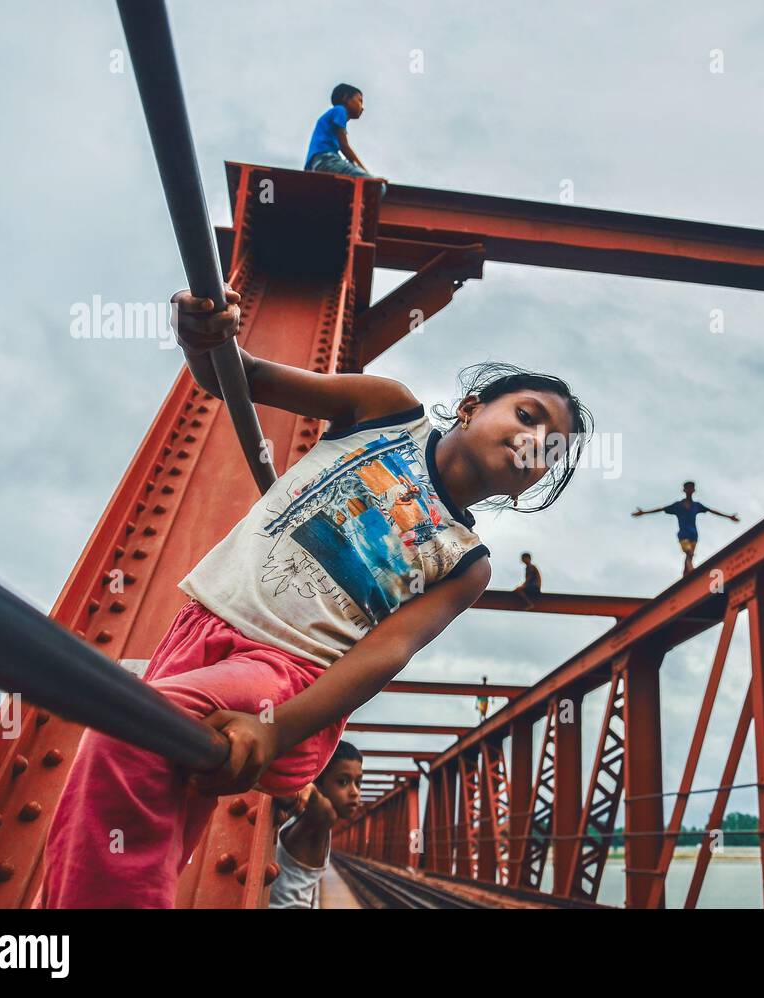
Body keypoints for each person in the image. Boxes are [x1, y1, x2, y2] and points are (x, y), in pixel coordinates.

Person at [38, 285, 593, 908]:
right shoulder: (387, 408)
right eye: (527, 416)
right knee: (159, 807)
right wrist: (204, 336)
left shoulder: (467, 563)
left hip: (285, 677)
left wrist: (277, 732)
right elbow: (239, 378)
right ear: (468, 407)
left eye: (551, 449)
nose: (534, 442)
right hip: (199, 626)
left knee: (125, 733)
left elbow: (386, 653)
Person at [268, 740, 363, 909]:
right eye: (342, 782)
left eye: (358, 782)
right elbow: (324, 810)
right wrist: (310, 790)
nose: (354, 792)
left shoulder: (309, 820)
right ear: (318, 782)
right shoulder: (322, 819)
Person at [633, 480, 739, 577]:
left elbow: (712, 510)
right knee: (689, 553)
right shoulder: (678, 506)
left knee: (690, 556)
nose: (689, 490)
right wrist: (644, 512)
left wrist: (729, 516)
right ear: (684, 490)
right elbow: (661, 509)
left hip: (694, 535)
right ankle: (692, 572)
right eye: (687, 488)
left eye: (691, 488)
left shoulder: (696, 506)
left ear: (694, 490)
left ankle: (685, 575)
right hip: (683, 535)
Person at [305, 83, 386, 198]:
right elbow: (345, 147)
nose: (362, 107)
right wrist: (368, 175)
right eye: (359, 100)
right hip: (326, 161)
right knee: (378, 187)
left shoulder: (332, 117)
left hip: (316, 164)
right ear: (346, 98)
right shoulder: (340, 110)